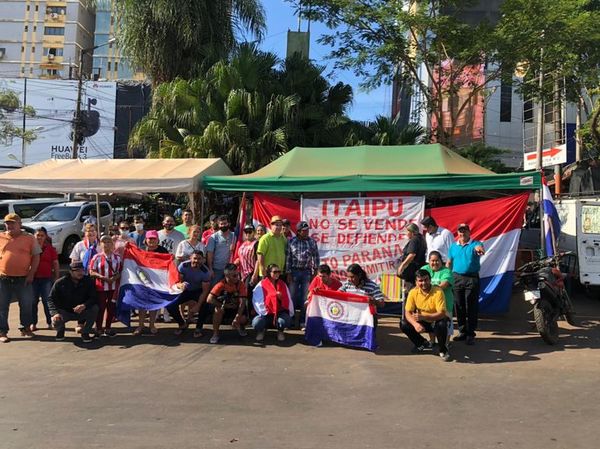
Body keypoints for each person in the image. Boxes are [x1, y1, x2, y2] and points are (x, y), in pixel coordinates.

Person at [0, 213, 41, 342]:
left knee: (26, 304)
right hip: (3, 278)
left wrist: (31, 273)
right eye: (7, 223)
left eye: (13, 223)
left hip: (23, 278)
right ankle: (2, 332)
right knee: (2, 306)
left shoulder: (29, 238)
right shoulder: (1, 236)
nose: (9, 225)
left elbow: (36, 256)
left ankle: (25, 328)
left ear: (20, 224)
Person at [446, 223, 485, 345]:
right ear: (457, 233)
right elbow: (449, 262)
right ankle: (462, 332)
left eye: (464, 231)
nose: (462, 233)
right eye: (460, 231)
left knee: (471, 306)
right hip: (456, 278)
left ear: (469, 232)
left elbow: (480, 248)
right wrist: (446, 275)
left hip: (471, 279)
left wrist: (479, 250)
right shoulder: (453, 247)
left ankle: (471, 333)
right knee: (459, 306)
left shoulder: (475, 244)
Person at [400, 269, 450, 362]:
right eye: (420, 281)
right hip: (422, 320)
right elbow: (408, 312)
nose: (423, 283)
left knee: (442, 325)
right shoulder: (413, 292)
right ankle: (421, 343)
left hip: (436, 320)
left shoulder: (438, 291)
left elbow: (442, 313)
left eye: (426, 280)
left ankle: (443, 349)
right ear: (416, 282)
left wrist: (425, 317)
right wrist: (415, 324)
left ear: (430, 280)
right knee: (403, 323)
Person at [48, 261, 99, 343]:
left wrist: (84, 305)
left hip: (82, 311)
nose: (80, 273)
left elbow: (94, 298)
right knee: (56, 319)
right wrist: (54, 313)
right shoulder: (60, 283)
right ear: (70, 271)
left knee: (95, 308)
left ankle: (85, 332)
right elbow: (51, 299)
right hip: (65, 312)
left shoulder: (88, 281)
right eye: (77, 270)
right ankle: (60, 331)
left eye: (82, 270)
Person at [166, 250, 211, 337]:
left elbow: (205, 291)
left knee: (205, 304)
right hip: (185, 290)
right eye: (194, 258)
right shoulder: (183, 266)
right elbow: (178, 280)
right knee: (170, 305)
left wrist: (198, 306)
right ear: (190, 258)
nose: (196, 261)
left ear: (203, 260)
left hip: (198, 291)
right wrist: (180, 285)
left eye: (199, 259)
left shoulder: (206, 272)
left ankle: (199, 328)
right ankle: (181, 324)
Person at [286, 220, 320, 327]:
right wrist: (288, 273)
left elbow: (316, 258)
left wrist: (315, 272)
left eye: (307, 230)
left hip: (307, 272)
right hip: (294, 271)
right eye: (304, 231)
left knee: (305, 297)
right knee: (292, 296)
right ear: (299, 231)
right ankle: (290, 319)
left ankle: (302, 320)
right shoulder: (291, 241)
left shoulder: (312, 242)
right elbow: (288, 258)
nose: (307, 232)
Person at [133, 230, 166, 335]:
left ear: (158, 240)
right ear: (145, 240)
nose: (151, 240)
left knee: (153, 304)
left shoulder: (163, 251)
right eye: (149, 238)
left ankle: (152, 325)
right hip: (142, 281)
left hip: (157, 282)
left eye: (154, 238)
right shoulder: (140, 250)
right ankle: (140, 325)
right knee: (142, 305)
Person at [88, 235, 122, 338]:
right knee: (101, 308)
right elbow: (91, 271)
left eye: (108, 242)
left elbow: (121, 271)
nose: (106, 244)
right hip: (101, 287)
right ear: (100, 244)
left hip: (113, 287)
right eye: (104, 242)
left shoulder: (117, 257)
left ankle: (108, 328)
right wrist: (102, 277)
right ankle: (98, 328)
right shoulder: (96, 257)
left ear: (112, 244)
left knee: (111, 307)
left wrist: (115, 278)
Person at [207, 263, 248, 344]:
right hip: (224, 309)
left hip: (236, 309)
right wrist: (224, 305)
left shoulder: (241, 284)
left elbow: (242, 302)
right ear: (227, 276)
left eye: (237, 275)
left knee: (243, 319)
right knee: (217, 310)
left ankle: (240, 326)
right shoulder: (220, 285)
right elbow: (209, 299)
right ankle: (215, 334)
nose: (237, 277)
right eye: (234, 276)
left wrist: (238, 316)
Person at [252, 264, 293, 342]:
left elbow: (288, 300)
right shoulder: (261, 284)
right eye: (275, 272)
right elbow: (257, 300)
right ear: (269, 272)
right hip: (266, 314)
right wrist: (273, 295)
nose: (277, 273)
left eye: (279, 272)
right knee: (257, 323)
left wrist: (281, 298)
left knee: (285, 321)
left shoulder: (282, 284)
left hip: (279, 313)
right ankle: (261, 331)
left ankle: (280, 331)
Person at [421, 250, 455, 343]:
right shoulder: (424, 269)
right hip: (429, 305)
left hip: (445, 304)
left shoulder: (446, 271)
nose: (434, 263)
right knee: (431, 324)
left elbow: (444, 284)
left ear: (441, 261)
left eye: (437, 261)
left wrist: (429, 289)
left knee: (446, 326)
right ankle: (432, 341)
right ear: (429, 261)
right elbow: (419, 282)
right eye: (432, 261)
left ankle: (446, 344)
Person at [31, 227, 60, 331]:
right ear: (34, 236)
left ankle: (50, 322)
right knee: (33, 302)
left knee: (47, 301)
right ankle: (33, 323)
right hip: (33, 279)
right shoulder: (30, 248)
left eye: (42, 235)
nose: (39, 237)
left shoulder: (50, 249)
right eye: (37, 235)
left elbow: (55, 263)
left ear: (45, 237)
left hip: (46, 279)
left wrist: (56, 277)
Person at [253, 215, 287, 284]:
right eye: (276, 225)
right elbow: (260, 255)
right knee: (267, 294)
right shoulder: (265, 238)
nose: (278, 227)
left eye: (280, 225)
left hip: (279, 273)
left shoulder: (283, 238)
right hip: (267, 273)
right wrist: (263, 271)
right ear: (271, 225)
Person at [396, 222, 426, 295]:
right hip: (417, 269)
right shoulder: (421, 238)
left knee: (411, 292)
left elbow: (411, 255)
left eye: (407, 231)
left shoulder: (414, 240)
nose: (406, 233)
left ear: (411, 232)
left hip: (412, 271)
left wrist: (402, 266)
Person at [206, 215, 236, 284]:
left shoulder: (234, 236)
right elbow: (210, 254)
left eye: (225, 223)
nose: (223, 225)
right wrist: (210, 269)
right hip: (217, 269)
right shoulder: (213, 237)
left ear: (228, 223)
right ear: (218, 225)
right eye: (221, 224)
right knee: (214, 289)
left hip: (230, 269)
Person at [234, 224, 259, 291]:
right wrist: (237, 260)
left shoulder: (256, 243)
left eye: (250, 231)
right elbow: (241, 256)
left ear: (254, 232)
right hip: (242, 273)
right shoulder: (243, 243)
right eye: (246, 232)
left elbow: (258, 260)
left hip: (251, 272)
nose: (248, 233)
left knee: (248, 293)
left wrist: (255, 275)